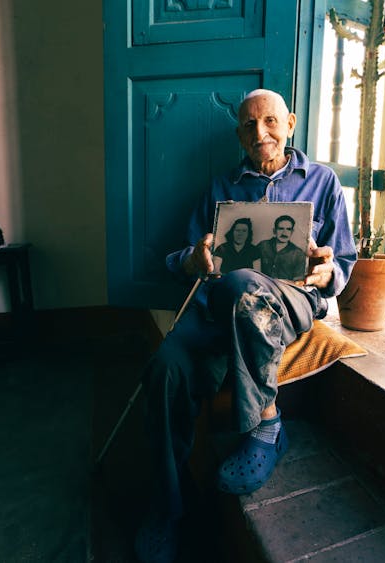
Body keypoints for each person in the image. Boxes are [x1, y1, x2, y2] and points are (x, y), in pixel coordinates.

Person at [135, 88, 356, 563]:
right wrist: (194, 259)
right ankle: (166, 505)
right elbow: (182, 256)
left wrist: (326, 271)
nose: (262, 134)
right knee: (167, 366)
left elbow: (343, 262)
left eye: (271, 121)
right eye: (250, 126)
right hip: (218, 306)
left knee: (241, 284)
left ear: (290, 123)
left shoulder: (322, 183)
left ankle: (265, 424)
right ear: (239, 134)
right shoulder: (221, 187)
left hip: (287, 302)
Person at [256, 214, 307, 281]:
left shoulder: (298, 254)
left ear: (292, 232)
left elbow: (298, 281)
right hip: (261, 286)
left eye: (288, 229)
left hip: (285, 289)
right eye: (281, 229)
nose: (284, 233)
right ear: (274, 230)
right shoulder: (263, 246)